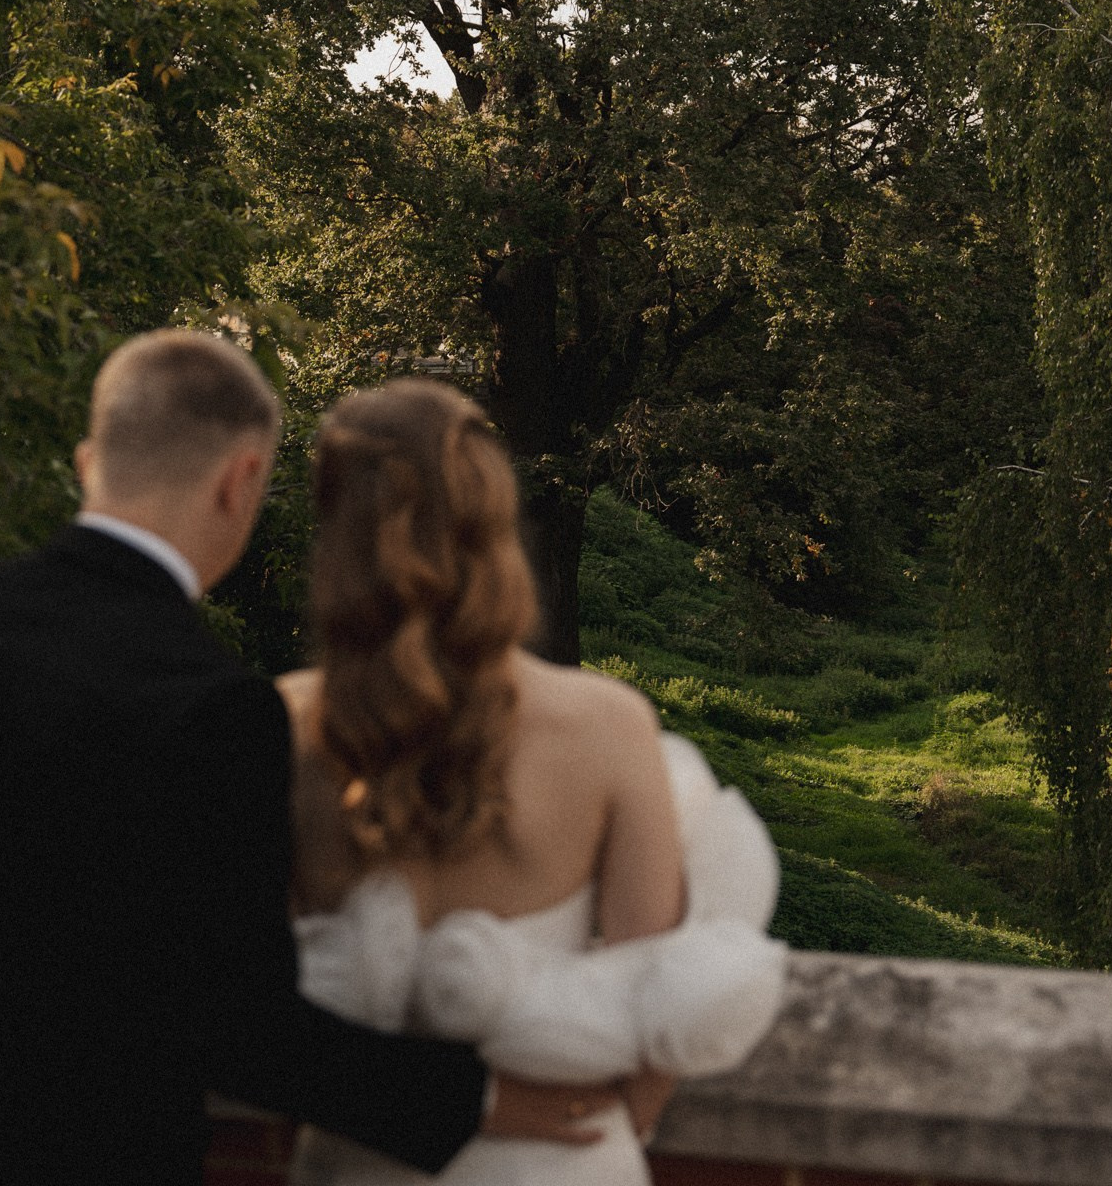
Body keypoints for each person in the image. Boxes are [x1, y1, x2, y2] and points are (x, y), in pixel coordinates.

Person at [0, 332, 619, 1186]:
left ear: (89, 460)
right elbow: (240, 1027)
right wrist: (479, 1100)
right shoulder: (217, 706)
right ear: (241, 479)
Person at [278, 379, 788, 1186]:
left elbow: (253, 1016)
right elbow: (656, 1006)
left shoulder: (280, 728)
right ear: (496, 524)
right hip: (559, 1158)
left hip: (361, 1160)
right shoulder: (608, 725)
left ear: (336, 532)